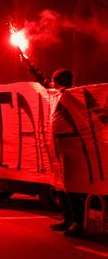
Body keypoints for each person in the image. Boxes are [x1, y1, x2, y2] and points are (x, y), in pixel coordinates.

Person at [42, 68, 85, 237]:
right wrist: (30, 65)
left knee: (71, 185)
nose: (50, 83)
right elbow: (44, 80)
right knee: (59, 184)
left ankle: (78, 222)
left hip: (71, 144)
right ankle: (67, 218)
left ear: (59, 81)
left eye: (53, 80)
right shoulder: (57, 94)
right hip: (58, 143)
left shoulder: (71, 96)